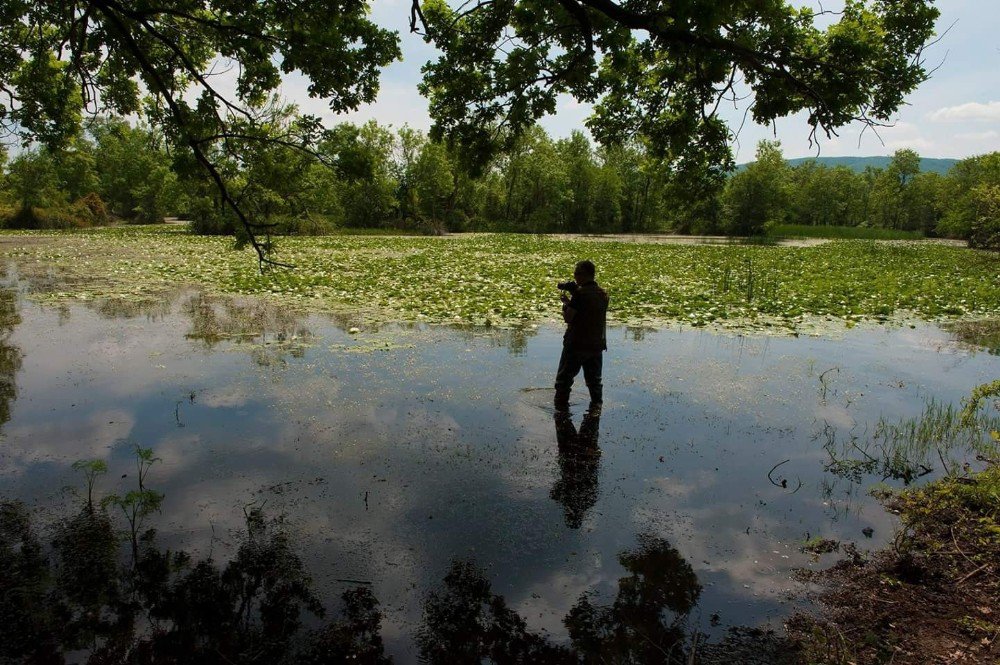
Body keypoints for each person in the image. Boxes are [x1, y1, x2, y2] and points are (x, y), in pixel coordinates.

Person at [554, 259, 608, 412]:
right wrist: (571, 300)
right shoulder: (603, 293)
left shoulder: (580, 294)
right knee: (594, 381)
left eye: (576, 273)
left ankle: (561, 411)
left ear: (583, 274)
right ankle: (596, 409)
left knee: (563, 381)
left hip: (576, 344)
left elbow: (569, 318)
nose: (575, 277)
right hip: (596, 345)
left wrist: (566, 305)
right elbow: (588, 312)